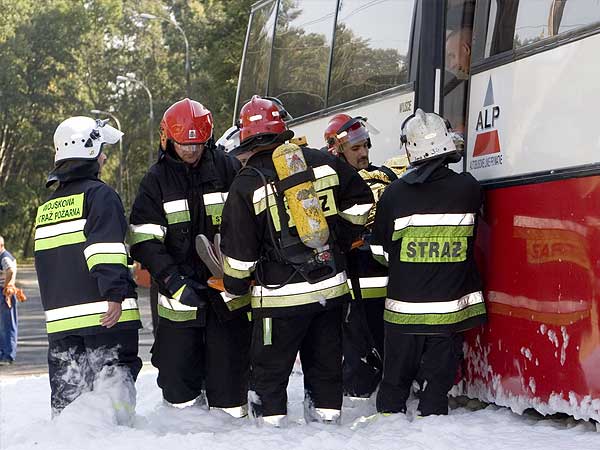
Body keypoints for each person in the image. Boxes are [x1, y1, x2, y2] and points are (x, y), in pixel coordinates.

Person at [220, 95, 374, 426]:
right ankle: (327, 432)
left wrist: (233, 286)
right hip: (329, 292)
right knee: (326, 370)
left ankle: (273, 436)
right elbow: (362, 201)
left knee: (270, 378)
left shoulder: (246, 184)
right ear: (283, 129)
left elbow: (238, 256)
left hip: (278, 301)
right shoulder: (323, 162)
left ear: (247, 140)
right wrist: (340, 241)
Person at [129, 98, 250, 416]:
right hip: (179, 305)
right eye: (184, 144)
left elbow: (250, 222)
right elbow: (145, 242)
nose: (191, 151)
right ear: (167, 139)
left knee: (231, 393)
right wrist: (174, 281)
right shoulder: (154, 182)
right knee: (180, 392)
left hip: (227, 301)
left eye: (198, 144)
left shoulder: (228, 168)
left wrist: (239, 272)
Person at [371, 109, 487, 416]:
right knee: (437, 388)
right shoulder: (468, 188)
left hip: (403, 315)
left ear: (410, 148)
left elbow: (380, 253)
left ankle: (387, 428)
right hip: (448, 315)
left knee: (394, 384)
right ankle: (432, 428)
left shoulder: (394, 194)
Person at [34, 116, 142, 421]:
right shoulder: (100, 196)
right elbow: (103, 250)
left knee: (69, 413)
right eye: (102, 150)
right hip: (104, 321)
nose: (105, 156)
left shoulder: (47, 208)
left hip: (62, 327)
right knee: (113, 408)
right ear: (91, 154)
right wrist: (115, 295)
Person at [323, 114, 408, 398]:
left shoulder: (386, 176)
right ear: (337, 150)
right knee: (356, 340)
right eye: (356, 149)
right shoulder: (331, 183)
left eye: (365, 147)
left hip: (388, 276)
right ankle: (358, 392)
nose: (363, 153)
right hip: (353, 277)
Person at [0, 235, 19, 365]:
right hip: (6, 292)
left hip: (5, 293)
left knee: (7, 326)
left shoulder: (4, 256)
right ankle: (4, 353)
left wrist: (6, 286)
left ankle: (8, 355)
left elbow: (11, 271)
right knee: (3, 325)